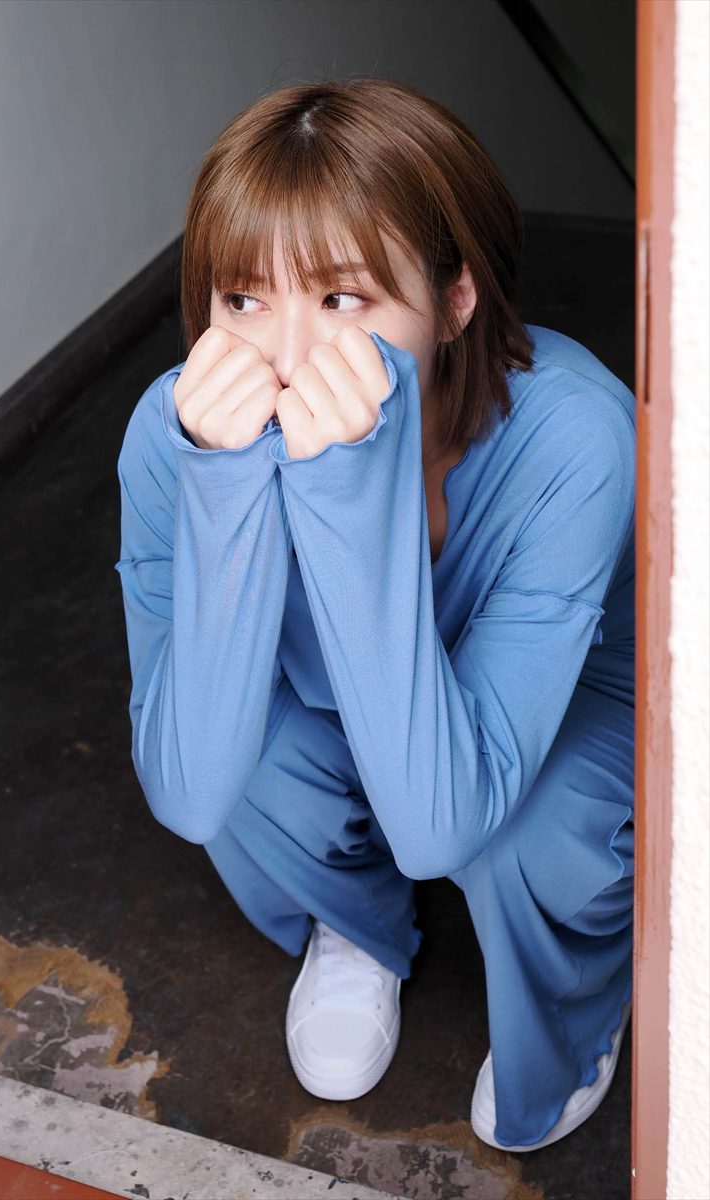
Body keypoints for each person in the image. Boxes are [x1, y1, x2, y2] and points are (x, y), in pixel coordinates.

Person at [114, 77, 635, 1153]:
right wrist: (222, 488)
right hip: (342, 702)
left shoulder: (577, 436)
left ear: (456, 300)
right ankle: (351, 922)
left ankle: (574, 1001)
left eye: (344, 300)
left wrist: (352, 494)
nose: (285, 358)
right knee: (240, 736)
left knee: (536, 831)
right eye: (243, 299)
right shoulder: (181, 434)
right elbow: (191, 791)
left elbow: (446, 821)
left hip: (562, 708)